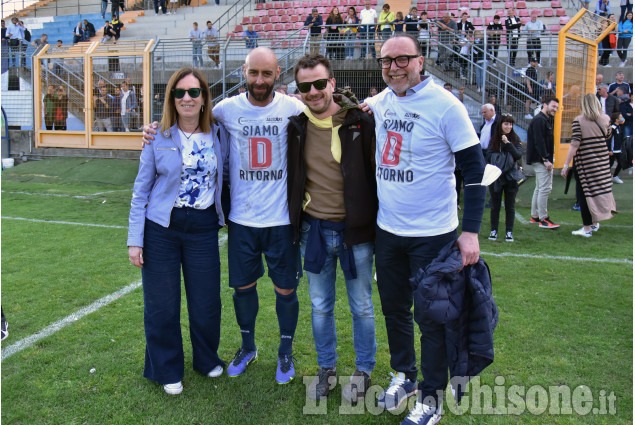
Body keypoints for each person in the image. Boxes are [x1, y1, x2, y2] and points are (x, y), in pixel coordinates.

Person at [144, 47, 306, 385]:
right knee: (242, 289)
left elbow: (324, 115)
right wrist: (154, 130)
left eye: (266, 73)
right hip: (242, 221)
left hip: (280, 221)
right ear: (243, 72)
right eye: (253, 73)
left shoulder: (293, 108)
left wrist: (357, 107)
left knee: (286, 290)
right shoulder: (225, 111)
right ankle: (248, 348)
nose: (259, 80)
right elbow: (188, 121)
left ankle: (285, 351)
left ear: (278, 72)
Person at [363, 34, 487, 425]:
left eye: (402, 60)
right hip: (389, 230)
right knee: (394, 307)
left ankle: (431, 398)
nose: (394, 67)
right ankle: (406, 375)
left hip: (434, 232)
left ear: (421, 60)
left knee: (432, 318)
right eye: (386, 61)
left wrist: (470, 232)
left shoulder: (447, 106)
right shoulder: (380, 102)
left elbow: (476, 172)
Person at [128, 67, 226, 396]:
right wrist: (134, 241)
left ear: (203, 99)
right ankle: (167, 369)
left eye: (194, 92)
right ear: (171, 98)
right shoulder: (157, 136)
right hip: (161, 229)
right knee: (161, 305)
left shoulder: (218, 132)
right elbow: (141, 192)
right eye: (179, 92)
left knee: (206, 302)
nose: (187, 98)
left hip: (202, 228)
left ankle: (206, 359)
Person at [287, 53, 378, 403]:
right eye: (305, 86)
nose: (313, 91)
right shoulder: (296, 126)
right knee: (321, 305)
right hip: (315, 232)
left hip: (356, 232)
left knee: (362, 306)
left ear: (332, 84)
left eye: (319, 83)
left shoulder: (360, 121)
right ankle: (327, 368)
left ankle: (364, 370)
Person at [561, 93, 616, 237]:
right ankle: (595, 223)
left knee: (584, 195)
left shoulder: (578, 120)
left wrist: (566, 165)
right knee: (598, 192)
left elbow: (574, 145)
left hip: (585, 165)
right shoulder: (605, 119)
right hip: (602, 163)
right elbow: (608, 135)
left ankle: (586, 228)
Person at [486, 114, 523, 242]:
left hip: (511, 177)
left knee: (510, 206)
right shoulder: (494, 139)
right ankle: (494, 230)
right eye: (506, 124)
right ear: (501, 124)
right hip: (496, 176)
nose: (509, 126)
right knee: (495, 205)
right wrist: (500, 159)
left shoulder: (515, 138)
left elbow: (518, 155)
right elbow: (488, 155)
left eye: (511, 124)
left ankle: (509, 232)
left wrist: (508, 144)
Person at [526, 95, 560, 228]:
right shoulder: (540, 120)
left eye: (556, 107)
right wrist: (545, 159)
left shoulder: (543, 119)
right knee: (545, 189)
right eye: (553, 106)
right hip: (541, 160)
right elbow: (539, 141)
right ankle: (543, 219)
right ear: (544, 105)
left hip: (539, 159)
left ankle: (535, 216)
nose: (555, 109)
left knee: (540, 188)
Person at [607, 111, 626, 183]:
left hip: (618, 149)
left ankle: (615, 176)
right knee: (610, 164)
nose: (622, 119)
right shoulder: (612, 128)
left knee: (621, 163)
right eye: (621, 117)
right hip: (613, 150)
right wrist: (609, 150)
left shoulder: (619, 127)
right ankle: (607, 178)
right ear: (616, 119)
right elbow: (609, 140)